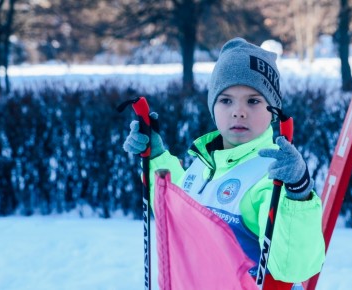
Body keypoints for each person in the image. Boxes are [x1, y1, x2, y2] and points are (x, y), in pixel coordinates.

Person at [123, 37, 325, 289]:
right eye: (226, 100)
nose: (238, 111)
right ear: (213, 107)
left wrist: (297, 193)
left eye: (253, 101)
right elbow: (181, 211)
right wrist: (156, 158)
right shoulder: (205, 161)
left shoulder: (272, 173)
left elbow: (293, 267)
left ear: (274, 111)